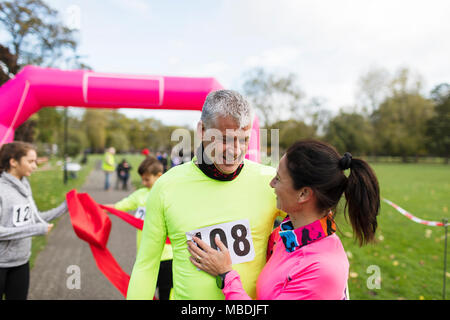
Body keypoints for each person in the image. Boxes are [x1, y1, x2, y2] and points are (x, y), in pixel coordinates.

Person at [127, 89, 282, 300]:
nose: (235, 151)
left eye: (244, 140)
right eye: (225, 139)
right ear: (201, 131)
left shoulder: (271, 181)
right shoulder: (166, 187)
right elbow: (146, 265)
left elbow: (313, 239)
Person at [187, 139, 380, 300]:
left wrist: (226, 275)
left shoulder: (322, 268)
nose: (271, 184)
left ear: (303, 194)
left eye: (278, 178)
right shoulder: (290, 236)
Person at [0, 141, 68, 300]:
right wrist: (35, 229)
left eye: (35, 161)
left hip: (21, 262)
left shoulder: (25, 184)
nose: (35, 166)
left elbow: (35, 218)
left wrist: (65, 207)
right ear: (13, 162)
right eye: (30, 161)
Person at [112, 156, 173, 300]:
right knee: (142, 294)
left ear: (159, 176)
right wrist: (94, 207)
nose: (143, 182)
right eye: (142, 179)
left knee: (166, 294)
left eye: (147, 179)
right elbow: (118, 207)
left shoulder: (170, 194)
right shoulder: (139, 195)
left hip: (168, 257)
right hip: (146, 258)